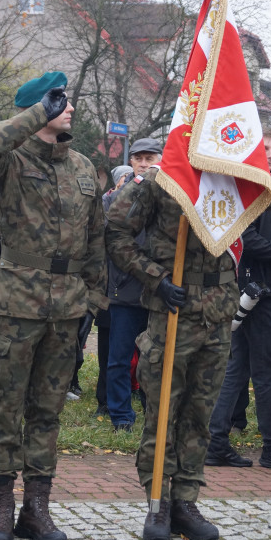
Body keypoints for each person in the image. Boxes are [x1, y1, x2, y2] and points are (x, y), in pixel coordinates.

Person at [107, 158, 271, 540]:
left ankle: (186, 500)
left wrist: (244, 167)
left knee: (200, 415)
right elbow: (116, 232)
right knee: (163, 413)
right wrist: (155, 278)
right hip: (173, 311)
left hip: (217, 313)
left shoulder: (232, 178)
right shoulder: (159, 181)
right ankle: (158, 504)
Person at [0, 72, 107, 540]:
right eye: (57, 102)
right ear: (36, 109)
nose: (68, 108)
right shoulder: (10, 161)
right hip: (17, 304)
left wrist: (95, 299)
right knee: (7, 407)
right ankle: (2, 506)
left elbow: (96, 241)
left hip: (67, 306)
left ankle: (37, 507)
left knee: (47, 412)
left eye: (65, 101)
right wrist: (34, 116)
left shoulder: (85, 168)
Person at [206, 130, 271, 470]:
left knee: (240, 367)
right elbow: (245, 238)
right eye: (267, 148)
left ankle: (216, 439)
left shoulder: (267, 186)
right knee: (266, 371)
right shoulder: (252, 187)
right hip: (256, 290)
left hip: (265, 286)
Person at [105, 143, 163, 432]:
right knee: (119, 358)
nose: (143, 163)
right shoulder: (116, 196)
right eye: (138, 159)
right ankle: (121, 416)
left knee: (155, 357)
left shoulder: (168, 194)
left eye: (149, 158)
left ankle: (151, 410)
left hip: (159, 290)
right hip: (125, 288)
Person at [94, 164, 133, 420]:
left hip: (149, 287)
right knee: (113, 353)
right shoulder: (108, 201)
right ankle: (111, 406)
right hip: (115, 287)